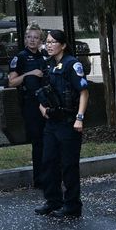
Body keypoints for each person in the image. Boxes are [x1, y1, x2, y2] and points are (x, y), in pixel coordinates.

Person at [33, 29, 91, 218]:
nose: (49, 45)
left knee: (69, 165)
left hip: (69, 122)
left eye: (53, 42)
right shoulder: (48, 65)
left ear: (63, 45)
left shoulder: (72, 64)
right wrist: (42, 107)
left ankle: (72, 205)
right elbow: (45, 90)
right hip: (52, 122)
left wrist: (79, 118)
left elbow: (83, 92)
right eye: (47, 42)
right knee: (48, 162)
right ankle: (53, 201)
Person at [4, 24, 49, 189]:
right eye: (29, 37)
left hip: (45, 101)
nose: (32, 40)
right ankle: (40, 179)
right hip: (30, 103)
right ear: (25, 39)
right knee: (38, 141)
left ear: (40, 41)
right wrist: (29, 74)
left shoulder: (44, 55)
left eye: (36, 37)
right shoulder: (21, 57)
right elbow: (11, 81)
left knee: (49, 140)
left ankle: (50, 176)